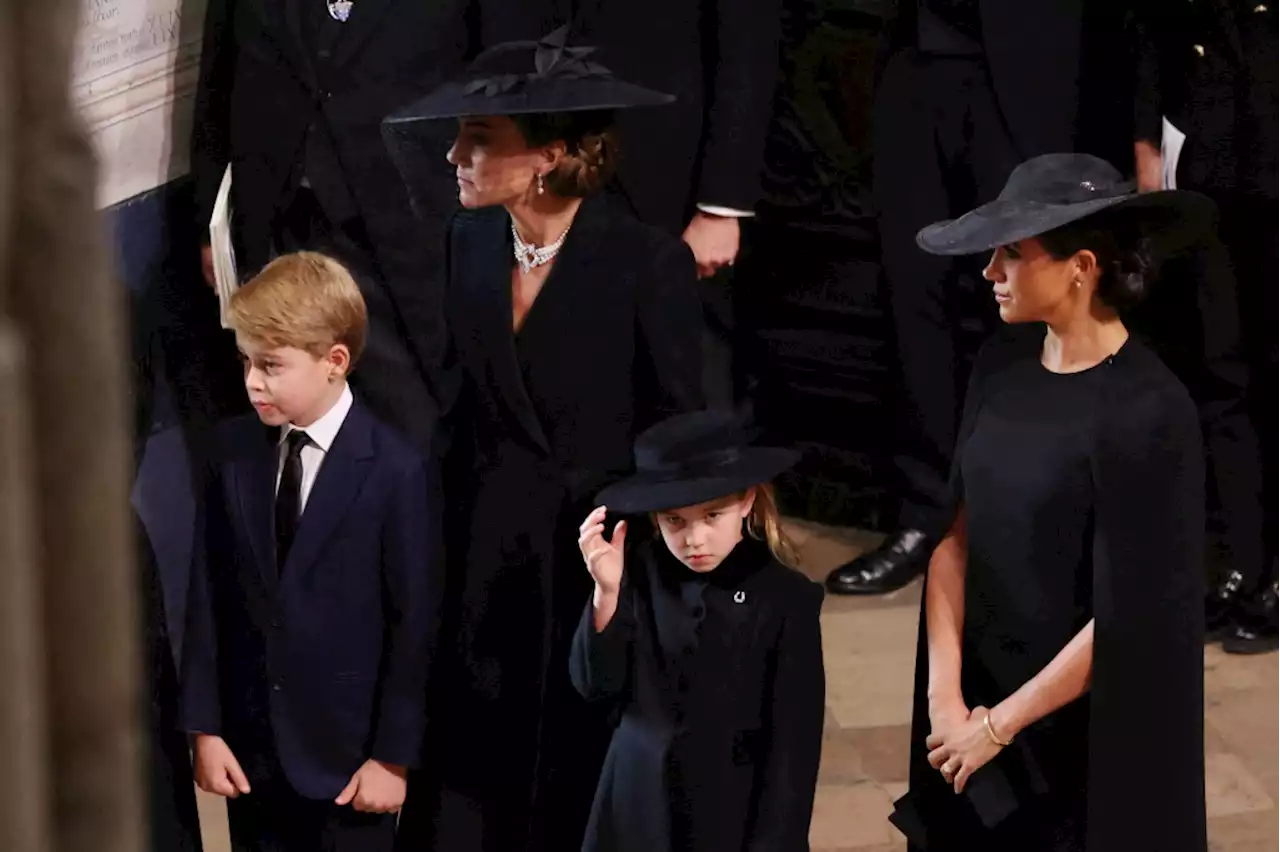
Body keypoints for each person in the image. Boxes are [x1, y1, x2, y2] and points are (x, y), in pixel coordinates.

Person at [383, 27, 707, 852]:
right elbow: (456, 403)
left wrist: (636, 576)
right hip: (482, 555)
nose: (455, 154)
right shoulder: (468, 242)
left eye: (479, 138)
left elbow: (676, 429)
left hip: (586, 561)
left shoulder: (646, 263)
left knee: (563, 773)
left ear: (548, 156)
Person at [887, 154, 1209, 852]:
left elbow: (1134, 616)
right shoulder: (998, 366)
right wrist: (945, 701)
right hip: (977, 704)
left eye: (1011, 252)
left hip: (1080, 736)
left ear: (1080, 266)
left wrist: (1002, 726)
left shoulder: (1152, 411)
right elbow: (953, 538)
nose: (989, 272)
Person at [827, 0, 1136, 595]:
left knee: (1030, 300)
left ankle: (1030, 525)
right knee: (913, 299)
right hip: (916, 62)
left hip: (1034, 68)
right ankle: (927, 519)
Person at [190, 0, 556, 447]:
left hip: (414, 228)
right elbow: (220, 70)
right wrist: (208, 217)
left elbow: (514, 79)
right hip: (280, 218)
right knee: (298, 428)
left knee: (415, 423)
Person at [180, 253, 442, 852]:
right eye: (245, 361)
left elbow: (415, 626)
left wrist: (392, 759)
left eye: (270, 365)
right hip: (252, 757)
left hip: (349, 768)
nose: (251, 381)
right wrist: (205, 728)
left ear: (336, 362)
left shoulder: (397, 469)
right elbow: (207, 595)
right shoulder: (233, 451)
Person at [570, 409, 825, 852]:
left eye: (713, 515)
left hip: (728, 813)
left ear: (747, 501)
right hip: (634, 804)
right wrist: (606, 594)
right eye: (675, 521)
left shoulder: (787, 599)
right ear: (655, 518)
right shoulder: (635, 573)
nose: (695, 540)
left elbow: (792, 752)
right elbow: (595, 686)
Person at [1132, 0, 1280, 653]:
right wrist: (1146, 160)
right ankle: (1245, 562)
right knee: (1222, 372)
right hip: (1212, 170)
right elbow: (1149, 41)